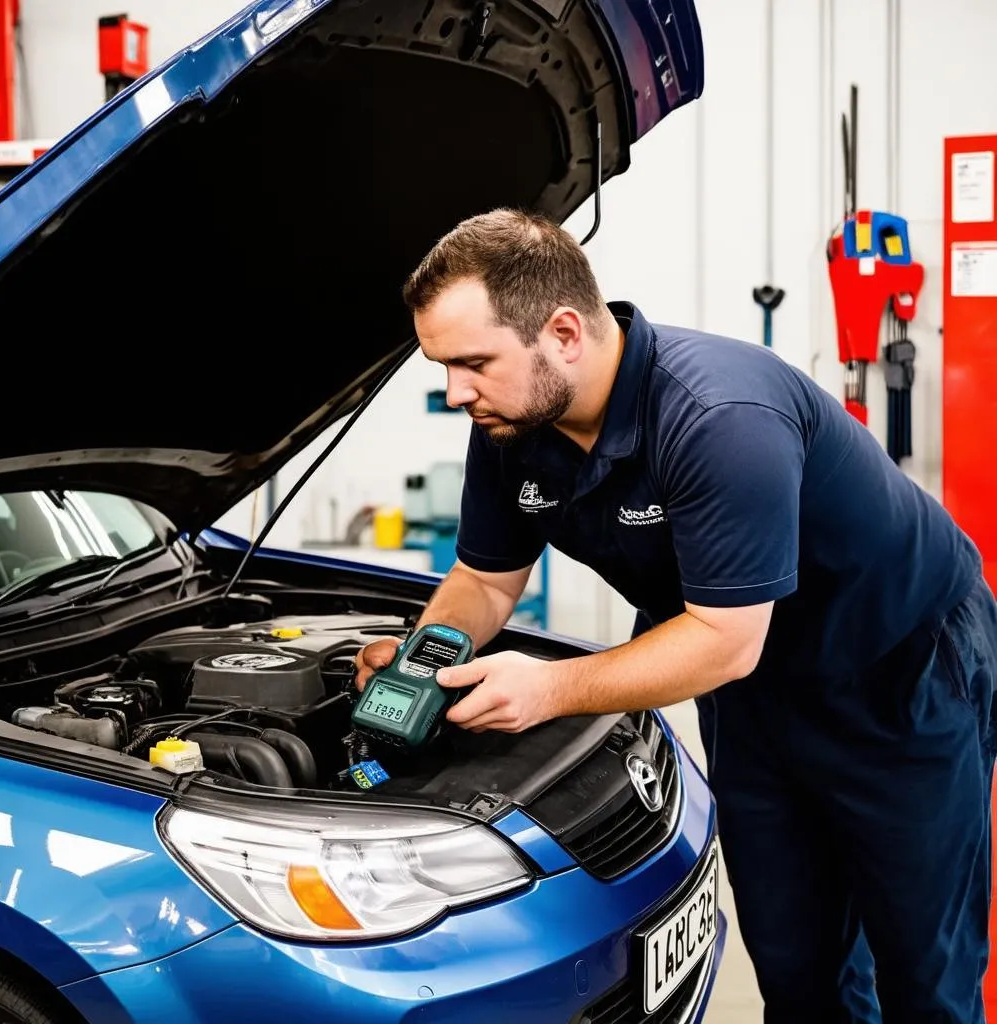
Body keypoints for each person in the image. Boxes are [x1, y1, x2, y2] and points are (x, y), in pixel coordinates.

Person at [354, 208, 997, 1023]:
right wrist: (422, 659)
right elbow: (485, 580)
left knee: (926, 980)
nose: (456, 393)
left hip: (899, 672)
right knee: (799, 971)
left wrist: (548, 689)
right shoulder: (514, 424)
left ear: (562, 332)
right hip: (756, 689)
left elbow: (726, 639)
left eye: (473, 363)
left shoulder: (717, 417)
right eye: (444, 368)